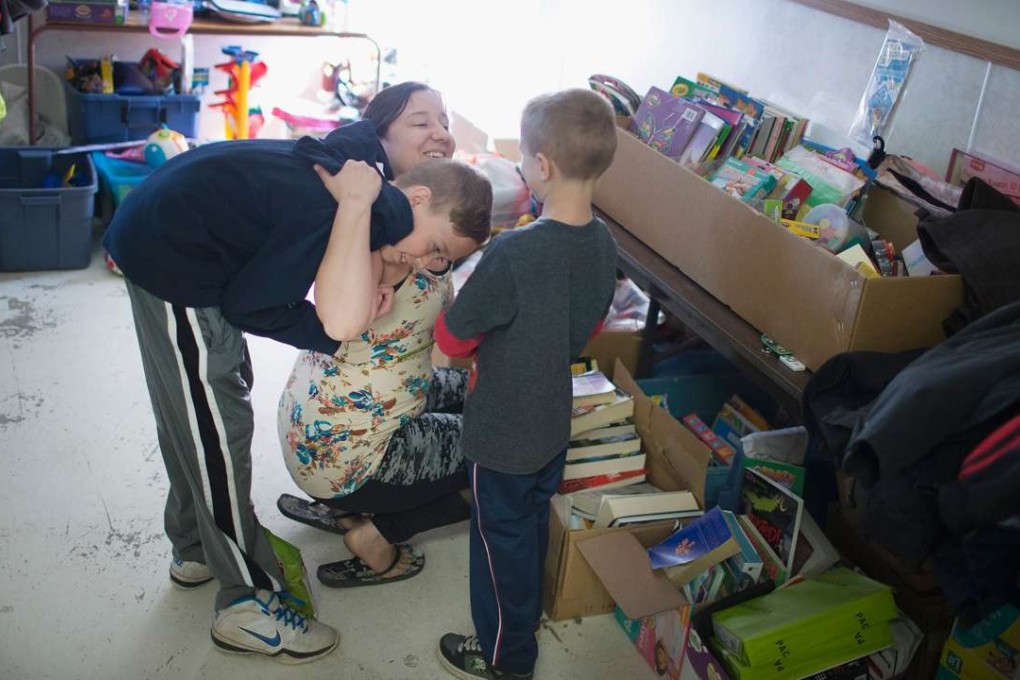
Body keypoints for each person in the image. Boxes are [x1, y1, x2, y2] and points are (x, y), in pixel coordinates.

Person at [102, 85, 483, 664]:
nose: (426, 264)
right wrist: (329, 334)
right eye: (431, 248)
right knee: (217, 433)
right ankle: (245, 602)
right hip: (174, 262)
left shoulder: (356, 166)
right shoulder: (340, 203)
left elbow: (260, 289)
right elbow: (252, 306)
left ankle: (194, 547)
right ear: (417, 192)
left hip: (184, 247)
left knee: (194, 416)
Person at [433, 88, 619, 680]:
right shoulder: (604, 240)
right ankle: (524, 623)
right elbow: (591, 322)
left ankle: (506, 659)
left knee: (495, 548)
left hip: (502, 432)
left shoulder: (514, 251)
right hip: (550, 424)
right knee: (528, 531)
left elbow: (453, 340)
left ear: (542, 167)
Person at [276, 84, 493, 588]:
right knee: (504, 445)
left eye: (444, 119)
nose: (439, 131)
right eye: (420, 122)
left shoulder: (379, 221)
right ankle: (380, 531)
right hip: (345, 458)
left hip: (313, 431)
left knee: (478, 394)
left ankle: (342, 505)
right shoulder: (377, 246)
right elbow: (453, 337)